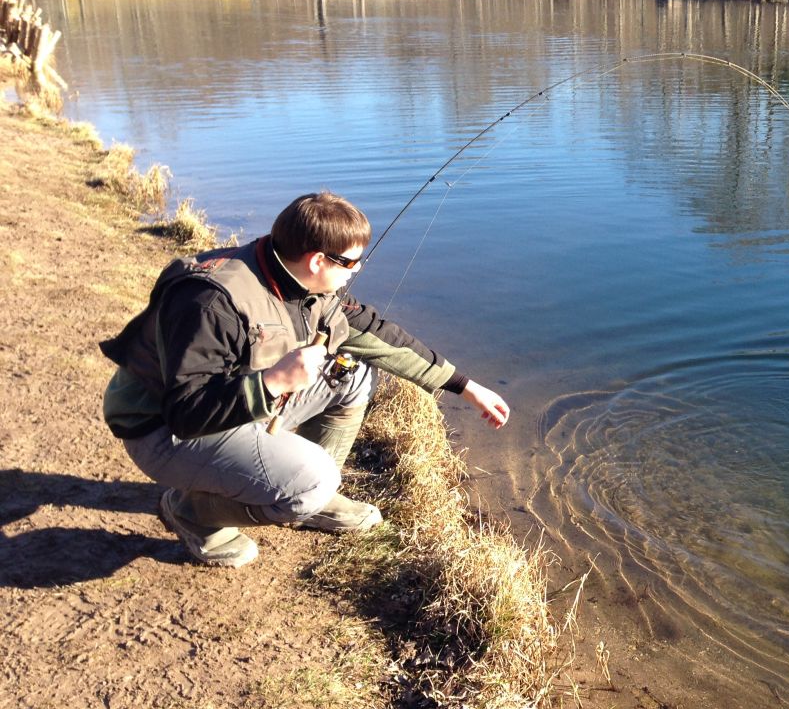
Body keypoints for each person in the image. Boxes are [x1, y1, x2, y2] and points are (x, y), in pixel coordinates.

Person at [101, 192, 510, 569]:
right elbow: (185, 412)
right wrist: (273, 383)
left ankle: (309, 495)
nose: (358, 269)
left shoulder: (299, 279)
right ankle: (192, 512)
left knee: (351, 373)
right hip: (161, 431)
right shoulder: (210, 301)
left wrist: (464, 385)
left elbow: (376, 334)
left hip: (232, 406)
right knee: (311, 481)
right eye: (351, 263)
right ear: (317, 260)